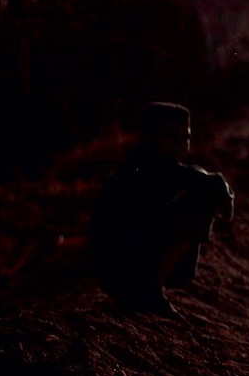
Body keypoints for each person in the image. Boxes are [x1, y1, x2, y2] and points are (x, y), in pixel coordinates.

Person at [89, 102, 234, 317]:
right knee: (199, 204)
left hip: (116, 268)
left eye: (185, 138)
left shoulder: (150, 163)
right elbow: (209, 185)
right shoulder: (146, 167)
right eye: (170, 137)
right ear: (150, 136)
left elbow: (198, 178)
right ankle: (148, 291)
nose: (179, 145)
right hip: (116, 268)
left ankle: (146, 288)